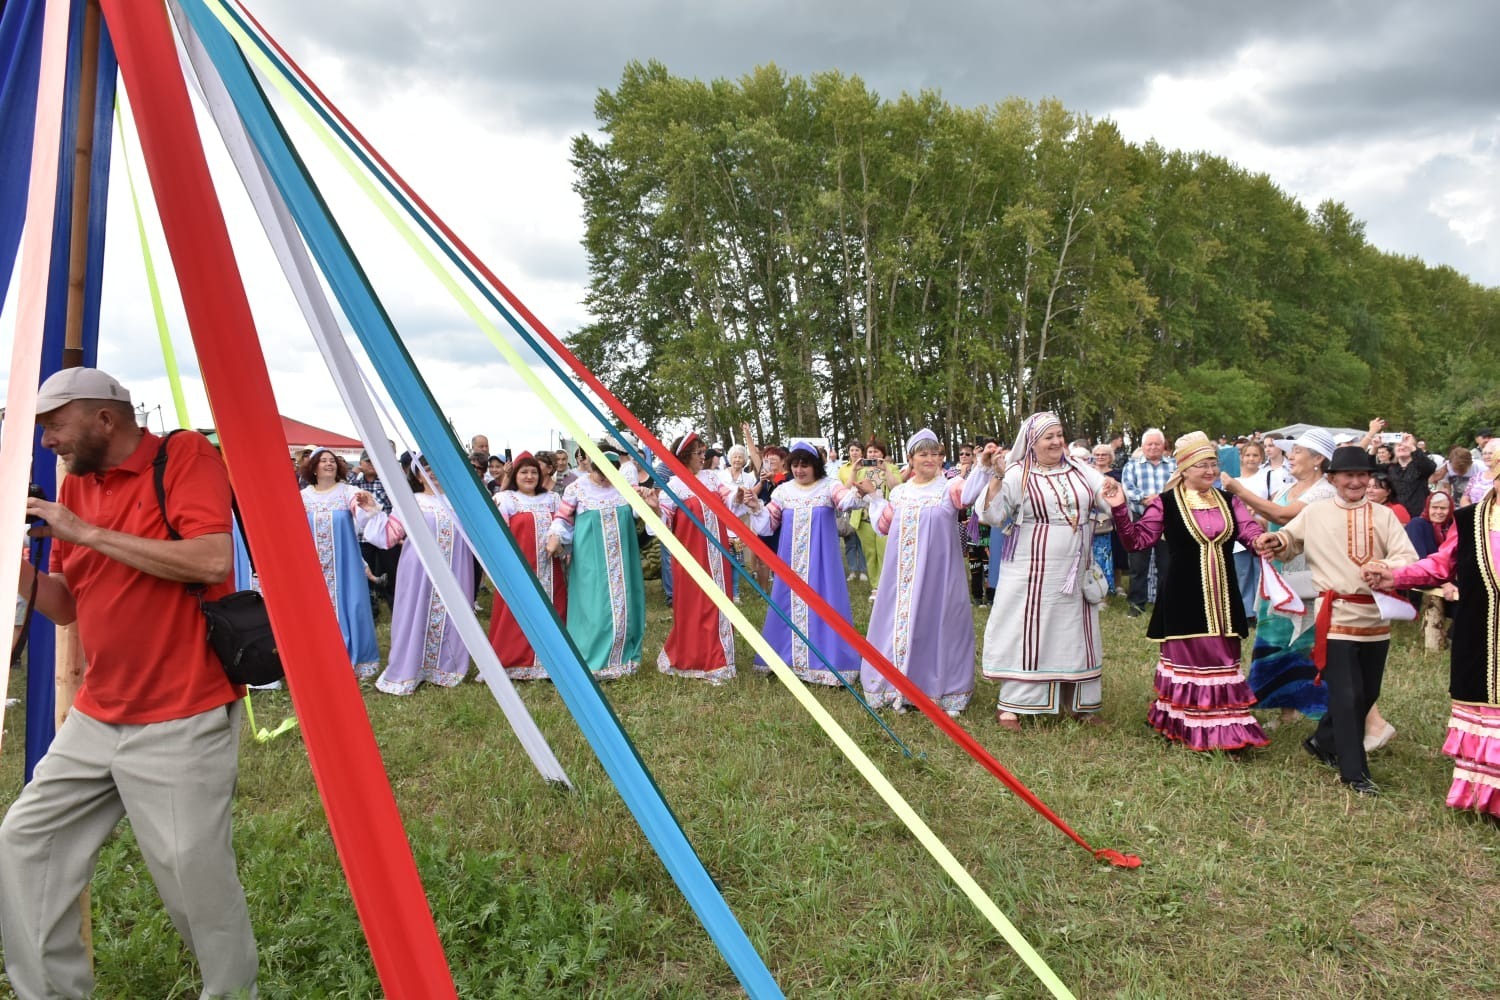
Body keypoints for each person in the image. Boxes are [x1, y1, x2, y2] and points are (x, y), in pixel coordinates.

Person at [2, 368, 256, 995]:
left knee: (194, 881)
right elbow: (68, 606)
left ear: (103, 419)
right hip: (97, 713)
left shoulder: (185, 456)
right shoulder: (75, 488)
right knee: (27, 840)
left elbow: (211, 558)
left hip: (180, 713)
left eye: (54, 425)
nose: (49, 441)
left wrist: (84, 533)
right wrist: (20, 572)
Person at [1254, 447, 1419, 795]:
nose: (1357, 481)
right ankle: (1354, 772)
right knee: (1346, 694)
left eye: (1363, 475)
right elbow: (1289, 540)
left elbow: (1407, 556)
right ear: (1333, 479)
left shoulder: (1384, 515)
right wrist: (1274, 540)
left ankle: (1322, 741)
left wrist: (1386, 567)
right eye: (1349, 475)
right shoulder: (1315, 513)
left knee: (1367, 692)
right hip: (1336, 615)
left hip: (1376, 616)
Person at [1106, 432, 1268, 753]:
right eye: (1201, 465)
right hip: (1183, 596)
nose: (1209, 471)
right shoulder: (1165, 504)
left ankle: (1228, 730)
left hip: (1223, 598)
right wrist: (1120, 508)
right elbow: (1137, 542)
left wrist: (1265, 541)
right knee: (1191, 660)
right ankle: (1187, 726)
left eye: (1212, 464)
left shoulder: (1228, 500)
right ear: (1183, 468)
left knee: (1224, 658)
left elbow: (1250, 532)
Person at [1369, 484, 1499, 818]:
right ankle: (1485, 799)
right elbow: (1441, 565)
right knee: (1484, 707)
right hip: (1478, 634)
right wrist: (1394, 575)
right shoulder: (1470, 520)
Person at [974, 414, 1106, 730]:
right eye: (1049, 437)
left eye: (1060, 435)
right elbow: (992, 514)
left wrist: (1112, 491)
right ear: (1032, 442)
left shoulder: (1080, 469)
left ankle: (1080, 704)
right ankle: (1012, 707)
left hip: (1075, 568)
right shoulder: (1019, 473)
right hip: (1031, 571)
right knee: (1029, 631)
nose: (1057, 441)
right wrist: (997, 477)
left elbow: (1106, 495)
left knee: (1075, 631)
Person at [1223, 430, 1337, 730]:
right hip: (1276, 576)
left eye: (1298, 450)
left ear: (1318, 459)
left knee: (1302, 641)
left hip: (1306, 577)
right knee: (1277, 640)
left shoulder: (1324, 491)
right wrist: (1256, 524)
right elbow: (1270, 517)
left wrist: (1238, 489)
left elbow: (1285, 516)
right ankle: (1285, 712)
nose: (1291, 455)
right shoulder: (1289, 485)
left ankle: (1316, 710)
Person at [860, 429, 976, 715]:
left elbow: (973, 497)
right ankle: (897, 685)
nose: (930, 459)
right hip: (901, 578)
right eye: (922, 454)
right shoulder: (900, 493)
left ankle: (943, 691)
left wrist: (985, 468)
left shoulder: (951, 487)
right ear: (910, 459)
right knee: (900, 625)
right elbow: (884, 525)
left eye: (935, 453)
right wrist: (875, 497)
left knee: (939, 626)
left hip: (939, 576)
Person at [749, 442, 871, 685]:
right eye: (795, 464)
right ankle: (786, 658)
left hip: (822, 566)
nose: (800, 470)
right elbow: (767, 524)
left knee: (824, 606)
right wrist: (754, 506)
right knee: (787, 605)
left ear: (816, 466)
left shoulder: (828, 487)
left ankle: (827, 661)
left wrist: (859, 491)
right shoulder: (783, 492)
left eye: (805, 465)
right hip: (790, 566)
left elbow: (847, 501)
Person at [358, 455, 477, 694]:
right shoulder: (411, 501)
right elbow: (390, 535)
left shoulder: (459, 502)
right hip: (419, 569)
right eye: (426, 470)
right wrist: (373, 512)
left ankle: (446, 666)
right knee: (415, 612)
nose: (432, 474)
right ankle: (411, 666)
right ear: (418, 476)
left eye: (436, 469)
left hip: (456, 568)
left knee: (453, 613)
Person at [547, 448, 653, 679]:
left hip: (623, 560)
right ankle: (592, 658)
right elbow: (563, 518)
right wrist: (555, 537)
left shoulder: (625, 488)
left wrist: (648, 501)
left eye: (611, 470)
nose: (604, 476)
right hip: (590, 560)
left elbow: (641, 513)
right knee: (594, 606)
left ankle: (622, 657)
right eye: (599, 470)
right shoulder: (577, 489)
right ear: (590, 465)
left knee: (624, 604)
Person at [658, 432, 753, 683]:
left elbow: (729, 497)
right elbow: (663, 520)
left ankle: (718, 658)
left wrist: (740, 495)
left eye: (704, 452)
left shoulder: (711, 479)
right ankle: (693, 655)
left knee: (718, 603)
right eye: (699, 453)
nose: (704, 457)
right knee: (694, 605)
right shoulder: (674, 487)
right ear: (685, 456)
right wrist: (654, 507)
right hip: (691, 557)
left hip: (718, 555)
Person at [300, 447, 381, 677]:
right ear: (313, 467)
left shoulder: (347, 492)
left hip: (345, 563)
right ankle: (322, 657)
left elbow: (365, 515)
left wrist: (366, 504)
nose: (329, 464)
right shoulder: (303, 496)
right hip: (314, 564)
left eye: (332, 460)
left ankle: (354, 658)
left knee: (352, 606)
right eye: (323, 461)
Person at [488, 455, 567, 679]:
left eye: (534, 472)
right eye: (524, 472)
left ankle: (551, 661)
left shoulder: (552, 498)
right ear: (515, 475)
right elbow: (498, 533)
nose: (529, 476)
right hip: (520, 566)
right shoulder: (506, 499)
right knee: (518, 611)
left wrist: (560, 541)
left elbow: (564, 523)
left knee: (554, 609)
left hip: (551, 567)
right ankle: (516, 659)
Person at [1120, 428, 1176, 616]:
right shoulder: (1132, 466)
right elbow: (1128, 488)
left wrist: (1160, 500)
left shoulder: (1174, 466)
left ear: (1163, 446)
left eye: (1156, 444)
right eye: (1149, 444)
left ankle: (1166, 604)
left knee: (1166, 564)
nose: (1153, 447)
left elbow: (1180, 488)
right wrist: (1145, 498)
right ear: (1142, 446)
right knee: (1138, 565)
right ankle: (1136, 604)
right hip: (1141, 520)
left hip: (1167, 520)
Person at [1230, 440, 1268, 623]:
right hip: (1239, 533)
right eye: (1247, 455)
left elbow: (1272, 503)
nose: (1251, 459)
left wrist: (1257, 512)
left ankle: (1261, 611)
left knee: (1260, 573)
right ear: (1241, 457)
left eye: (1255, 455)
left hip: (1261, 529)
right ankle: (1245, 613)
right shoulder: (1235, 482)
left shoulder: (1267, 477)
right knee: (1242, 573)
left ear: (1261, 458)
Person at [1383, 432, 1436, 519]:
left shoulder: (1419, 466)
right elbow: (1368, 468)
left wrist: (1411, 446)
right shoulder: (1390, 467)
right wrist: (1374, 447)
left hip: (1417, 515)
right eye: (1398, 445)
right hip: (1395, 515)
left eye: (1405, 445)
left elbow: (1429, 467)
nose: (1402, 446)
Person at [837, 441, 869, 582]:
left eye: (857, 450)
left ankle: (863, 570)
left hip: (864, 508)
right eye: (852, 450)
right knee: (850, 542)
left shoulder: (868, 466)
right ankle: (852, 570)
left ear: (862, 452)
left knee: (862, 542)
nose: (854, 452)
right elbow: (842, 488)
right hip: (849, 508)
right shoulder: (843, 469)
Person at [1406, 491, 1455, 560]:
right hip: (1425, 568)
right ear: (1428, 508)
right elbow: (1418, 557)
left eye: (1443, 508)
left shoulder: (1454, 527)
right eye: (1434, 507)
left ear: (1450, 510)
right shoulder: (1417, 525)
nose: (1438, 512)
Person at [1463, 439, 1500, 507]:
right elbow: (1464, 499)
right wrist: (1471, 512)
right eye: (1484, 454)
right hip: (1474, 515)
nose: (1487, 456)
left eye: (1490, 453)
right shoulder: (1476, 476)